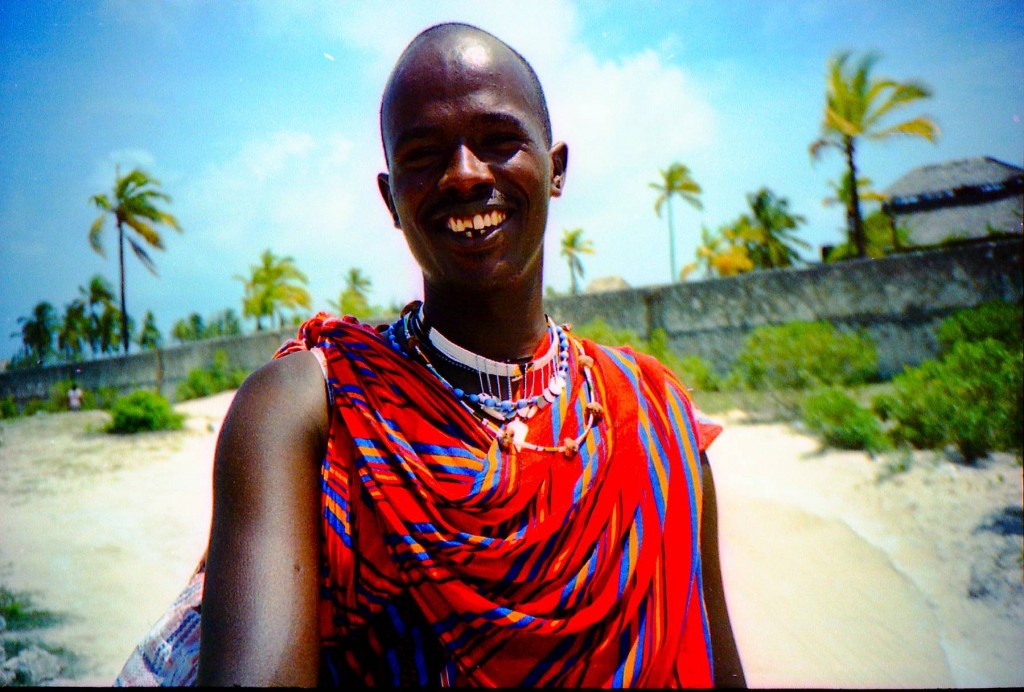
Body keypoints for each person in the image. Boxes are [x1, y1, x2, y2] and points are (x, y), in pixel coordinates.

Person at [190, 22, 744, 687]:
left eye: (499, 141)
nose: (463, 174)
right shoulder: (305, 408)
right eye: (423, 154)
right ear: (391, 197)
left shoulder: (652, 417)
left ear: (556, 169)